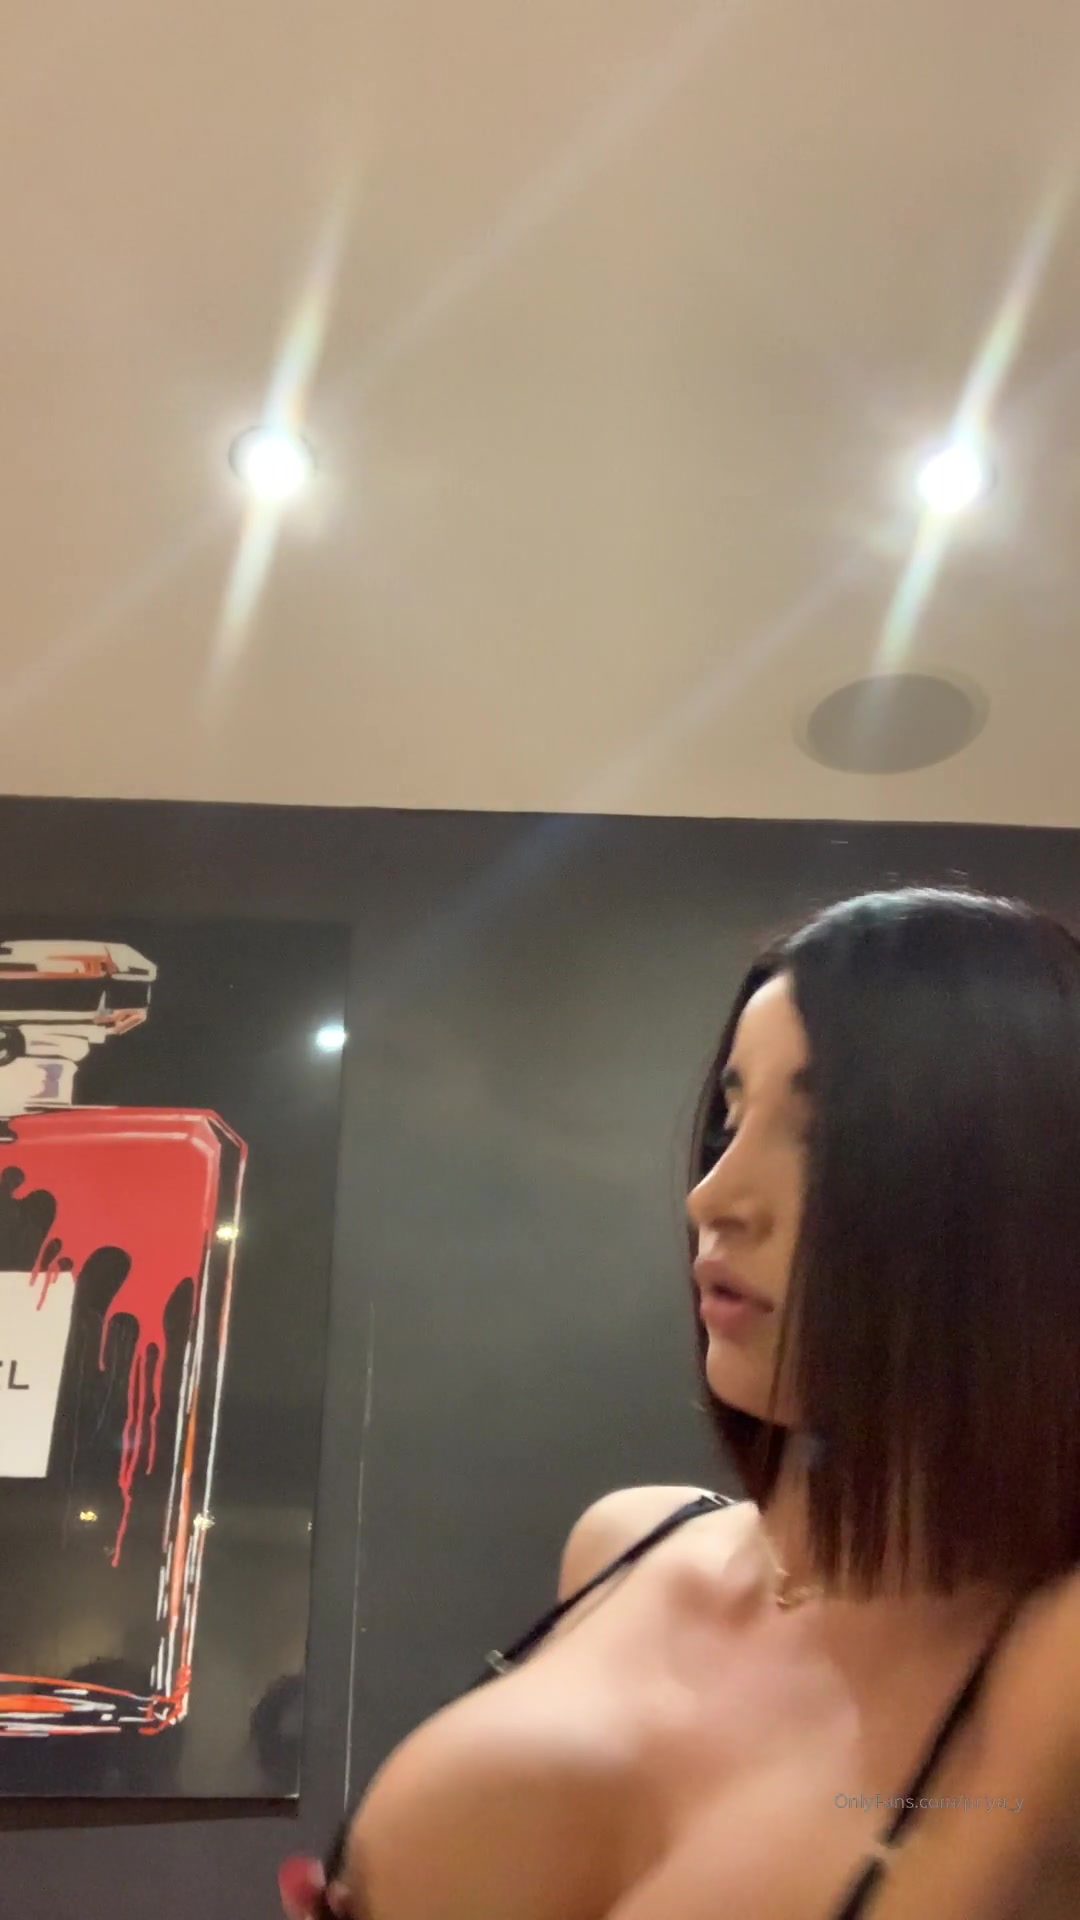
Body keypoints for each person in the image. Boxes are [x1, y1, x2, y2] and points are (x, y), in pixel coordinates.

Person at [280, 888, 1080, 1919]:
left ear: (1016, 1201)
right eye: (729, 1123)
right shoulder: (625, 1545)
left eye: (824, 1135)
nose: (714, 1197)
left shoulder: (1048, 1666)